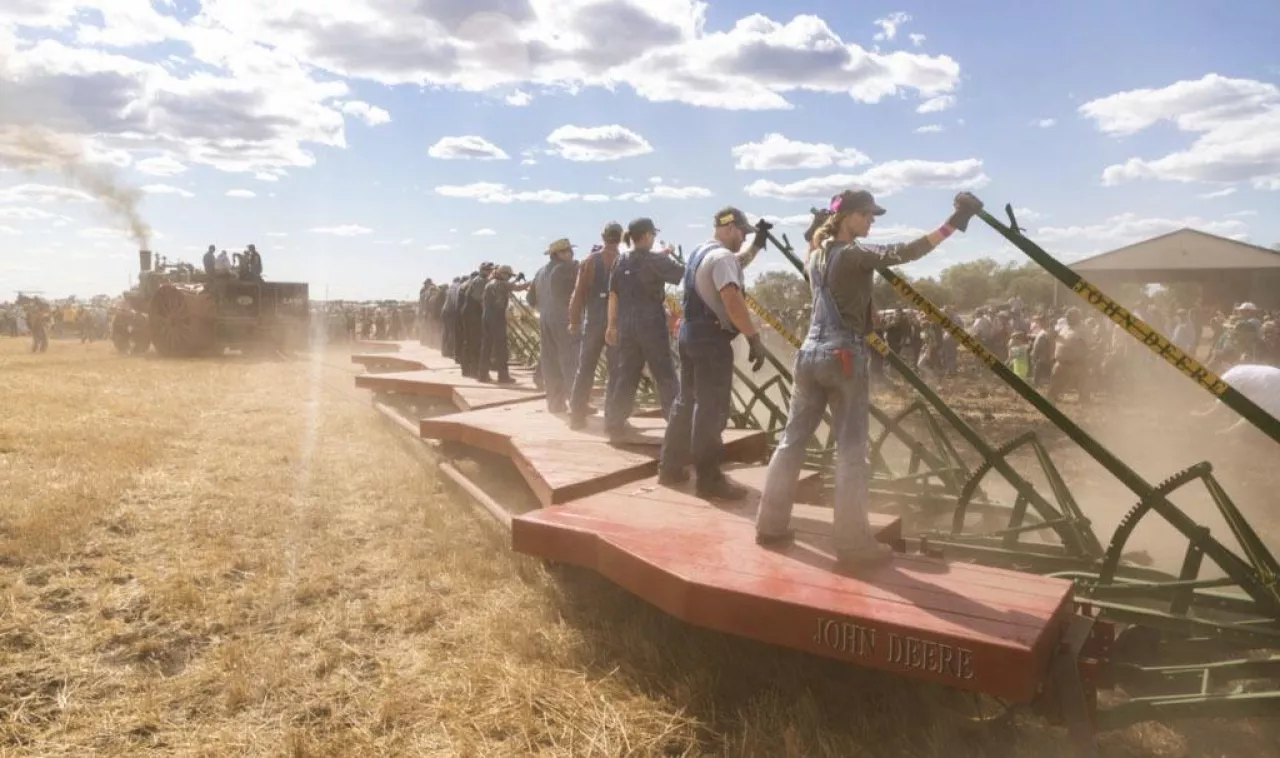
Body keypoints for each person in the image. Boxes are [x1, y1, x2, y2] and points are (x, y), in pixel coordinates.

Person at [755, 189, 983, 570]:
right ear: (847, 218)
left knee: (792, 442)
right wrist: (953, 223)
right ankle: (853, 542)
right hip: (844, 355)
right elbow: (906, 252)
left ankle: (770, 524)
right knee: (851, 450)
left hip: (809, 353)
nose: (871, 221)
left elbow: (815, 238)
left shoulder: (814, 256)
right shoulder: (855, 255)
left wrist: (820, 221)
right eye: (866, 215)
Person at [657, 207, 768, 499]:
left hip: (689, 333)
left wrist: (756, 246)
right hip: (711, 340)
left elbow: (737, 264)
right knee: (711, 407)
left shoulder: (700, 253)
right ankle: (709, 480)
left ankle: (669, 467)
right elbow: (731, 298)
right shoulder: (723, 257)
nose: (743, 239)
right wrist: (754, 337)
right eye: (743, 233)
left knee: (685, 401)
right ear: (730, 228)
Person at [604, 218, 683, 443]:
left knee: (626, 375)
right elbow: (679, 274)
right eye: (653, 235)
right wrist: (667, 255)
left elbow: (613, 295)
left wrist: (611, 325)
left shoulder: (621, 260)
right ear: (647, 235)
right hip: (651, 325)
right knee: (665, 375)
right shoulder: (654, 260)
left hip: (626, 326)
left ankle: (614, 424)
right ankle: (678, 426)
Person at [566, 223, 624, 429]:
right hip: (616, 322)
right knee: (616, 369)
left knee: (585, 368)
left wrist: (574, 321)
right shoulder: (624, 261)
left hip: (594, 321)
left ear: (603, 237)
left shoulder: (590, 261)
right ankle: (613, 418)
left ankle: (577, 415)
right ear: (621, 237)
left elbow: (578, 293)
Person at [528, 239, 581, 412]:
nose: (571, 254)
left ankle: (555, 403)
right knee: (571, 359)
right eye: (567, 251)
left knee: (550, 361)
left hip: (545, 319)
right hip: (564, 318)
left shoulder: (540, 272)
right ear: (558, 254)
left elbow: (530, 300)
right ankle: (577, 403)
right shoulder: (567, 268)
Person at [477, 265, 530, 384]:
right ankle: (503, 376)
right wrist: (533, 282)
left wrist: (515, 280)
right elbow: (517, 288)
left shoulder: (489, 284)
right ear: (503, 274)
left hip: (486, 317)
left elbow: (509, 286)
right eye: (509, 276)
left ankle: (482, 374)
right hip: (497, 317)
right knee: (501, 348)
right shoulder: (502, 284)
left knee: (486, 347)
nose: (509, 278)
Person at [459, 263, 494, 376]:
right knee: (474, 341)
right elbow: (481, 300)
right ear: (483, 270)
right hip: (472, 314)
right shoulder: (481, 281)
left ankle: (467, 369)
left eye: (490, 270)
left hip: (469, 313)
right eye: (488, 270)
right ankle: (472, 369)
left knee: (469, 341)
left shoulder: (476, 280)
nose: (489, 272)